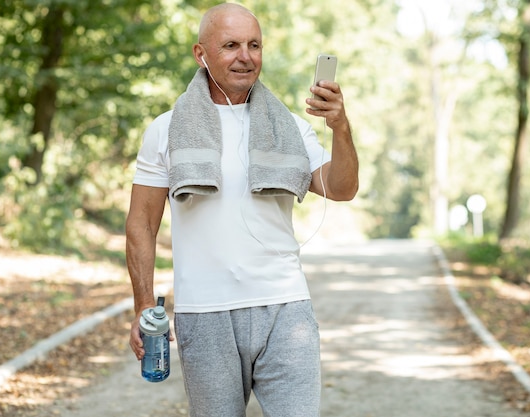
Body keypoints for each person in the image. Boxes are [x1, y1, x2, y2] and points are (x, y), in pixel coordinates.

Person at [126, 3, 358, 416]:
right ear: (201, 54)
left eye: (254, 45)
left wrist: (340, 127)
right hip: (205, 314)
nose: (245, 56)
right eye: (230, 45)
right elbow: (141, 224)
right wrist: (143, 304)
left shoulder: (289, 126)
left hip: (286, 309)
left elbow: (342, 188)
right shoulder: (165, 129)